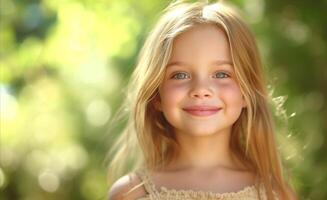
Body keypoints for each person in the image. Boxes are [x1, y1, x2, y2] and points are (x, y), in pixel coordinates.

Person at [107, 0, 297, 199]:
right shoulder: (130, 194)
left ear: (247, 92)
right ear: (156, 95)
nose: (201, 90)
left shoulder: (275, 194)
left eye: (222, 74)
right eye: (180, 75)